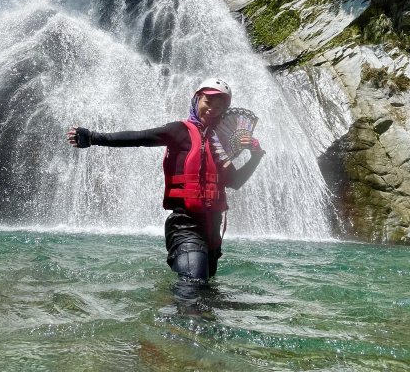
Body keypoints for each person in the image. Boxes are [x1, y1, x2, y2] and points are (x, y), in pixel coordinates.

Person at [67, 78, 265, 282]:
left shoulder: (219, 145)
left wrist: (256, 156)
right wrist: (92, 137)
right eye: (208, 102)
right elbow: (139, 138)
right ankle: (169, 313)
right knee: (193, 286)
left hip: (213, 231)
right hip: (184, 225)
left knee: (206, 293)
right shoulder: (179, 131)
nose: (212, 109)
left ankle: (173, 305)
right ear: (197, 100)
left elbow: (235, 182)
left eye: (219, 106)